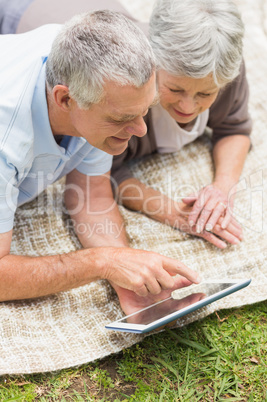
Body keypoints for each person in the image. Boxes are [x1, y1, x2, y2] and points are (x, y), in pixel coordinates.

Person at [0, 10, 200, 312]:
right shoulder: (7, 138)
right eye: (123, 118)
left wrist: (128, 273)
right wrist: (101, 262)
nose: (141, 130)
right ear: (65, 99)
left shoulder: (89, 75)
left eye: (145, 110)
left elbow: (91, 197)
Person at [112, 0, 252, 249]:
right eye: (175, 89)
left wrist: (221, 188)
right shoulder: (121, 85)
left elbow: (235, 129)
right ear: (153, 63)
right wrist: (172, 211)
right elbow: (100, 174)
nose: (187, 108)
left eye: (205, 94)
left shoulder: (223, 67)